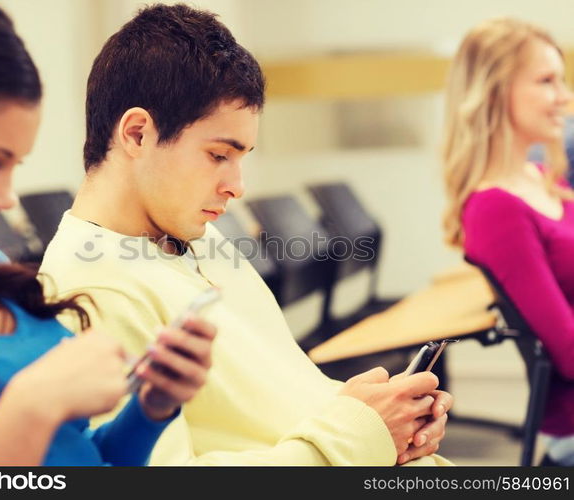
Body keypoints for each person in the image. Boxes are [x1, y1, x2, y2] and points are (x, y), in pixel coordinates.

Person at [40, 3, 453, 466]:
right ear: (137, 135)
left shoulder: (195, 235)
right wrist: (358, 437)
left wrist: (376, 415)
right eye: (219, 155)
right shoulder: (88, 289)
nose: (237, 186)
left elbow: (278, 394)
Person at [0, 0, 214, 466]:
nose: (5, 196)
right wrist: (33, 406)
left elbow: (78, 459)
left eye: (13, 167)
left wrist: (149, 409)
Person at [442, 18, 574, 466]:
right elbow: (569, 352)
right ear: (495, 92)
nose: (564, 96)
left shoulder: (540, 180)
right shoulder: (496, 208)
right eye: (546, 81)